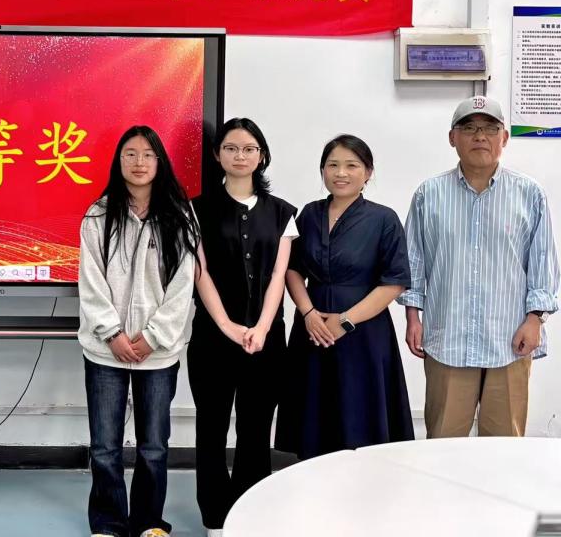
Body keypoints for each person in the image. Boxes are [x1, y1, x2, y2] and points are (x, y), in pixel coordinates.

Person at [400, 96, 559, 438]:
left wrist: (535, 319)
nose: (480, 136)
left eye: (490, 128)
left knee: (504, 444)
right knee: (444, 440)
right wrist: (413, 316)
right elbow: (414, 260)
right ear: (452, 138)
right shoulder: (429, 194)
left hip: (510, 339)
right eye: (469, 128)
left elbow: (543, 261)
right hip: (448, 336)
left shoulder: (529, 194)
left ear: (504, 138)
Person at [78, 125, 200, 537]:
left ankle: (149, 522)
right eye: (130, 154)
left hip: (158, 352)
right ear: (119, 161)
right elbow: (90, 282)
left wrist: (153, 336)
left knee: (153, 447)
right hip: (104, 350)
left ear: (160, 162)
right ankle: (109, 523)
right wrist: (112, 333)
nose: (139, 162)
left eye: (148, 154)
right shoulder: (98, 215)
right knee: (105, 447)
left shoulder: (180, 216)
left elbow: (184, 285)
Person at [188, 118, 297, 535]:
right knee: (211, 427)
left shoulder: (283, 212)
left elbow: (279, 276)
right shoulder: (195, 209)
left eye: (249, 149)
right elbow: (200, 273)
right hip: (212, 339)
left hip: (266, 341)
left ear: (261, 156)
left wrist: (262, 327)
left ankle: (248, 514)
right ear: (218, 155)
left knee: (255, 430)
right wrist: (227, 325)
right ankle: (215, 518)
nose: (240, 156)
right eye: (231, 148)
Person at [275, 134, 413, 459]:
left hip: (364, 334)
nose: (341, 173)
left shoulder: (383, 219)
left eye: (352, 165)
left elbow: (394, 283)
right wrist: (308, 314)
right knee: (313, 423)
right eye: (332, 165)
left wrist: (346, 321)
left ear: (368, 173)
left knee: (361, 422)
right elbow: (292, 270)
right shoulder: (309, 214)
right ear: (322, 170)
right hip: (313, 331)